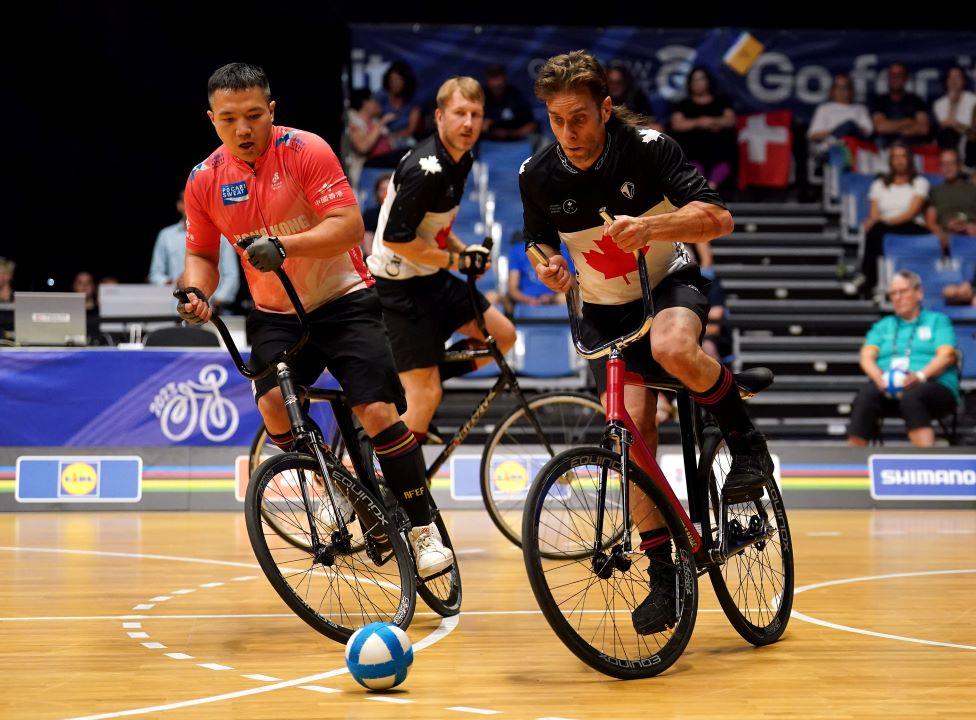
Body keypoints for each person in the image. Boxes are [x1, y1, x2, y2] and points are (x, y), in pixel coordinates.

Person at [519, 50, 772, 636]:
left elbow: (719, 217)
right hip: (606, 309)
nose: (569, 132)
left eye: (579, 117)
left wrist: (652, 226)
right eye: (556, 119)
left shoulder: (650, 148)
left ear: (605, 109)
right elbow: (535, 240)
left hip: (667, 282)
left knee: (672, 350)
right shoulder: (537, 175)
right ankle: (665, 570)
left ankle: (746, 440)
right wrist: (546, 266)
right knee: (632, 431)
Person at [176, 63, 452, 578]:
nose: (243, 129)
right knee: (274, 404)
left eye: (254, 115)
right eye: (229, 119)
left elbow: (349, 227)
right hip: (276, 314)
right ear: (212, 119)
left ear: (271, 111)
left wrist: (284, 246)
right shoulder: (204, 180)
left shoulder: (307, 150)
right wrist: (195, 290)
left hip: (345, 301)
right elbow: (203, 258)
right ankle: (340, 489)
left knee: (375, 413)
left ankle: (422, 529)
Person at [367, 76, 517, 445]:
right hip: (400, 287)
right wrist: (455, 262)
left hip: (431, 277)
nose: (468, 123)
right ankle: (398, 486)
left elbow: (434, 225)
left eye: (476, 114)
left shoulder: (461, 158)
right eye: (459, 113)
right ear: (438, 117)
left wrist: (463, 251)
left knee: (501, 336)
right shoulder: (425, 169)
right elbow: (396, 239)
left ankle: (415, 381)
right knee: (427, 395)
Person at [848, 270, 959, 447]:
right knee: (865, 396)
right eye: (893, 293)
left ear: (918, 293)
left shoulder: (937, 321)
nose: (898, 298)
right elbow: (866, 357)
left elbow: (946, 356)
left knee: (913, 396)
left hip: (934, 387)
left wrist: (920, 376)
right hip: (889, 388)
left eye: (903, 291)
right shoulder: (883, 326)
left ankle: (926, 461)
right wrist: (878, 377)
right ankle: (852, 464)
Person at [851, 143, 930, 295]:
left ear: (910, 160)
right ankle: (877, 282)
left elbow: (911, 212)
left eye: (903, 156)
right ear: (890, 161)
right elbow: (873, 214)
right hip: (884, 227)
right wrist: (879, 221)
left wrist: (885, 221)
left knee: (877, 230)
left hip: (911, 226)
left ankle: (868, 278)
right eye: (895, 157)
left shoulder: (920, 183)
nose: (899, 161)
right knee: (875, 230)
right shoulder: (879, 184)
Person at [150, 190, 240, 309]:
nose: (194, 205)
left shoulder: (222, 234)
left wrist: (213, 303)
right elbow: (156, 274)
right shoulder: (166, 235)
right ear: (180, 205)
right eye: (189, 201)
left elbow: (231, 275)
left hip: (212, 308)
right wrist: (172, 283)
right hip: (173, 308)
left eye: (198, 201)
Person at [668, 66, 737, 190]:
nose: (698, 83)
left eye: (701, 79)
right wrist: (698, 122)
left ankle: (712, 185)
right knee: (689, 150)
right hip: (693, 146)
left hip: (717, 144)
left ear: (708, 81)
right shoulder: (683, 104)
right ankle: (701, 185)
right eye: (694, 80)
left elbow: (730, 120)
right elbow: (677, 124)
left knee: (725, 148)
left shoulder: (721, 101)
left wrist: (713, 121)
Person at [807, 73, 873, 158]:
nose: (841, 91)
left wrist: (846, 131)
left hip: (856, 148)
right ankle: (833, 142)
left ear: (851, 90)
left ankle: (833, 141)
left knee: (849, 125)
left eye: (845, 87)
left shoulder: (860, 109)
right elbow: (813, 135)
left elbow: (867, 131)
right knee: (846, 128)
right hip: (832, 151)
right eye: (838, 87)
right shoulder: (824, 109)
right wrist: (836, 132)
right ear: (832, 91)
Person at [925, 148, 976, 251]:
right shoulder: (935, 191)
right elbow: (930, 221)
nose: (947, 168)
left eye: (951, 163)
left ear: (959, 165)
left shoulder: (972, 189)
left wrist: (972, 227)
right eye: (944, 164)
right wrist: (942, 231)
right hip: (947, 236)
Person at [870, 63, 930, 146]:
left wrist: (892, 127)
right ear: (888, 78)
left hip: (911, 145)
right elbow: (880, 127)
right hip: (885, 145)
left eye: (899, 75)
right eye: (892, 75)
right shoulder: (879, 101)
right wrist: (907, 122)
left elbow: (923, 129)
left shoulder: (916, 100)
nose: (895, 78)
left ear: (905, 78)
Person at [345, 88, 404, 169]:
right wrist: (381, 123)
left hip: (387, 165)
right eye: (375, 100)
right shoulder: (353, 123)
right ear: (366, 103)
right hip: (367, 169)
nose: (378, 104)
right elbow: (362, 148)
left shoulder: (375, 122)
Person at [506, 237, 573, 308]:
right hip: (526, 300)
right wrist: (528, 300)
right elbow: (513, 289)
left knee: (565, 298)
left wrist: (552, 298)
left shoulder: (564, 249)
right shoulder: (517, 251)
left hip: (554, 298)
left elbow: (571, 283)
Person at [483, 64, 538, 143]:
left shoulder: (516, 95)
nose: (496, 83)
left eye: (498, 77)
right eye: (492, 78)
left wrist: (510, 134)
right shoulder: (481, 96)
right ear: (488, 80)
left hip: (517, 141)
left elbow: (531, 125)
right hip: (488, 143)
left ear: (504, 78)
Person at [376, 61, 424, 148]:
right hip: (381, 141)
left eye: (398, 80)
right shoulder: (380, 98)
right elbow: (373, 124)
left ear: (406, 81)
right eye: (392, 80)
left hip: (404, 142)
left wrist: (393, 137)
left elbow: (410, 130)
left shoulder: (413, 102)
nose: (394, 83)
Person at [932, 66, 976, 153]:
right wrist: (953, 104)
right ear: (946, 81)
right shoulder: (939, 104)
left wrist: (956, 125)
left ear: (964, 80)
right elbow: (945, 129)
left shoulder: (973, 101)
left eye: (957, 77)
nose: (953, 81)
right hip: (947, 146)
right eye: (950, 77)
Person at [606, 61, 660, 128]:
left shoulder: (636, 95)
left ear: (626, 82)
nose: (615, 86)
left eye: (619, 82)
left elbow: (650, 119)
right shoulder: (601, 97)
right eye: (611, 82)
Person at [362, 172, 392, 256]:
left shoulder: (402, 214)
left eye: (389, 189)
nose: (386, 192)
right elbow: (368, 242)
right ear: (377, 192)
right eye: (382, 189)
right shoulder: (370, 214)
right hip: (376, 258)